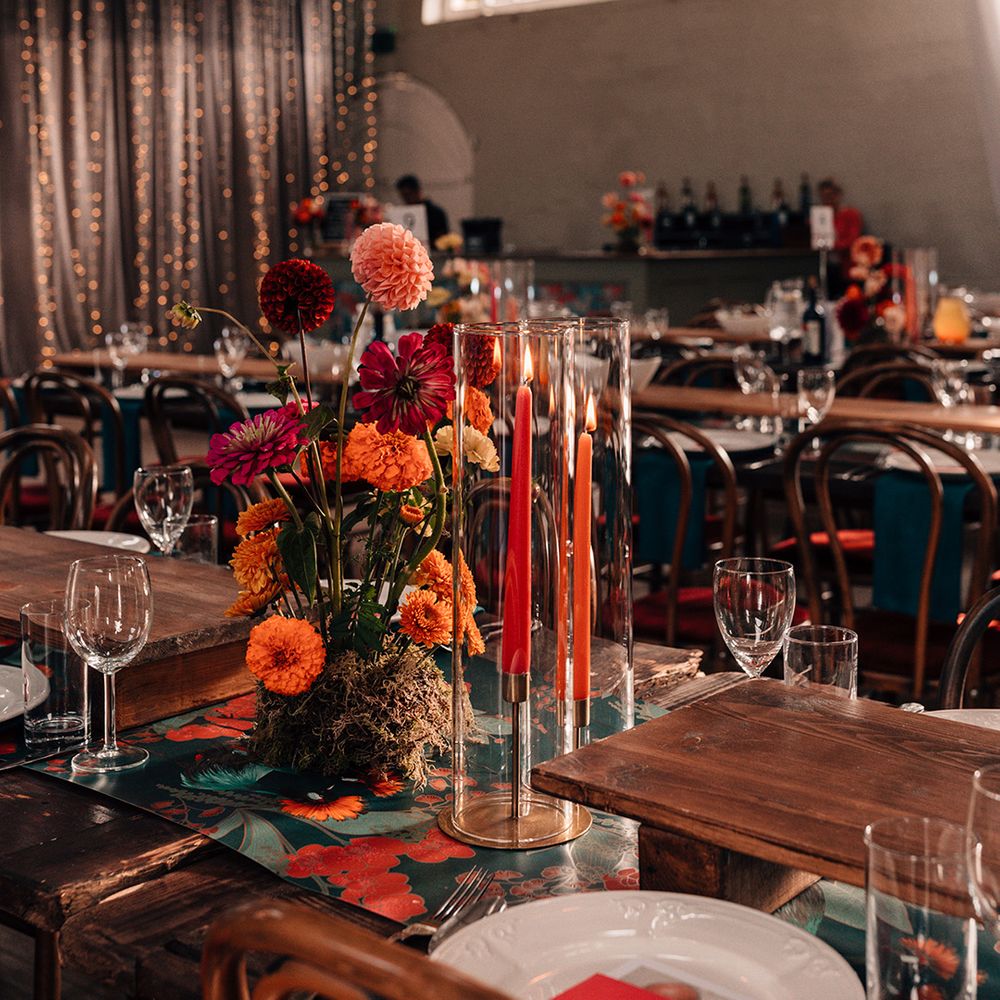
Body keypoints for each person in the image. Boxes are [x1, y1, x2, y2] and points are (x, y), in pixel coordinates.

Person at [818, 178, 864, 296]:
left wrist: (830, 245)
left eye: (830, 196)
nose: (827, 200)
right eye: (823, 197)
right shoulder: (821, 217)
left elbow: (852, 241)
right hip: (827, 267)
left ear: (838, 195)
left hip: (846, 267)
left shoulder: (850, 215)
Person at [395, 174, 449, 246]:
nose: (406, 199)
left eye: (408, 195)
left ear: (418, 191)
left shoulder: (436, 213)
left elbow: (443, 240)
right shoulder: (402, 214)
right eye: (403, 196)